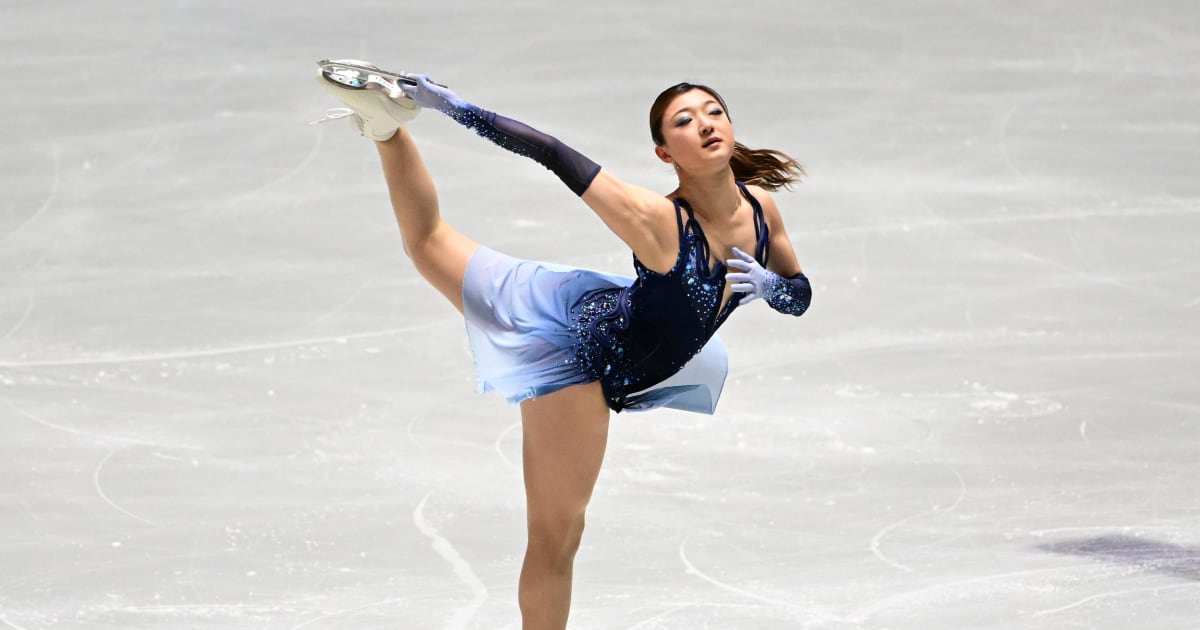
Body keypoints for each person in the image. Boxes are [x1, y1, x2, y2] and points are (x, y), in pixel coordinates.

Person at [314, 60, 811, 630]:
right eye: (683, 120)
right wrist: (456, 108)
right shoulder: (654, 219)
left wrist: (774, 287)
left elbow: (800, 294)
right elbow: (553, 152)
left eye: (713, 111)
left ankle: (381, 128)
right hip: (582, 361)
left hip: (615, 322)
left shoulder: (761, 209)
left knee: (430, 247)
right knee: (557, 535)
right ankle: (388, 131)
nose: (704, 123)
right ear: (665, 154)